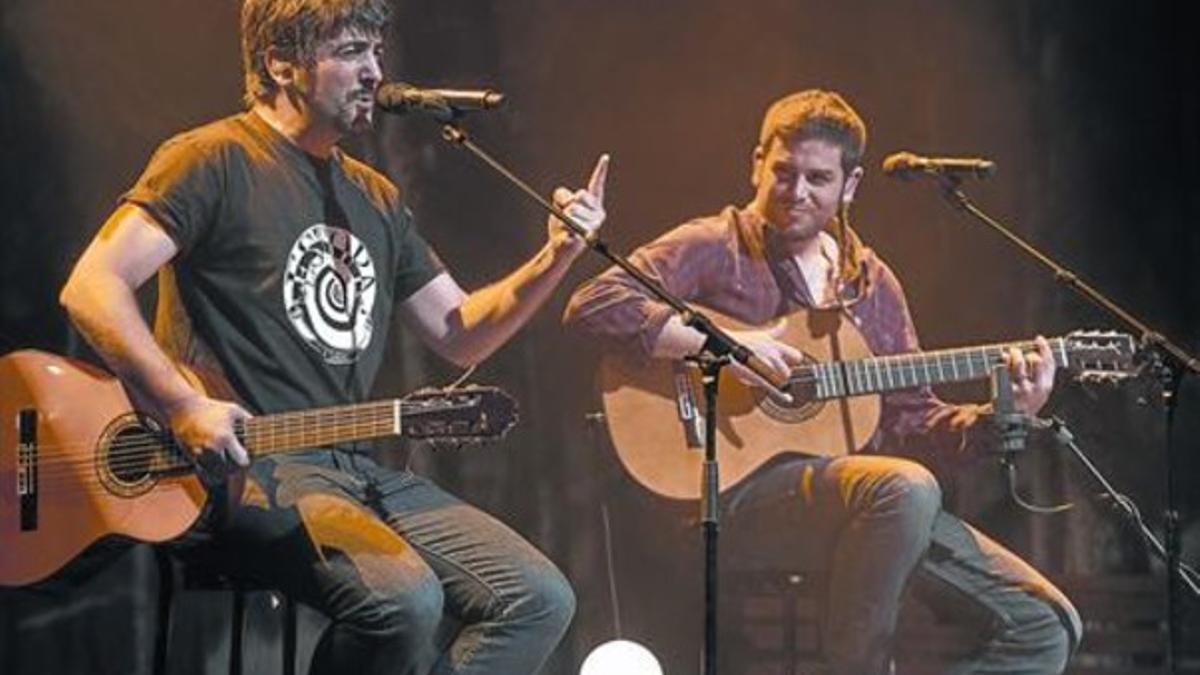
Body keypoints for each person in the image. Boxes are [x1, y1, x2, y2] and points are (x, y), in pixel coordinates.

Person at [58, 1, 608, 673]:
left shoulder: (374, 196)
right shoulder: (211, 160)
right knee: (404, 601)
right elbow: (93, 284)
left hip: (358, 467)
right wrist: (181, 403)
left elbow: (458, 331)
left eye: (376, 51)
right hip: (247, 473)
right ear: (280, 63)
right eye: (351, 51)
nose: (375, 71)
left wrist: (556, 255)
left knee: (539, 597)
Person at [564, 89, 1081, 673]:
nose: (797, 192)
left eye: (817, 178)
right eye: (783, 173)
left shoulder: (869, 285)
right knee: (903, 489)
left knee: (1046, 625)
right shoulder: (716, 246)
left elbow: (913, 423)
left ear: (850, 186)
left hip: (870, 506)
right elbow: (593, 304)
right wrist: (725, 349)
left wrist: (1004, 416)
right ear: (756, 163)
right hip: (730, 499)